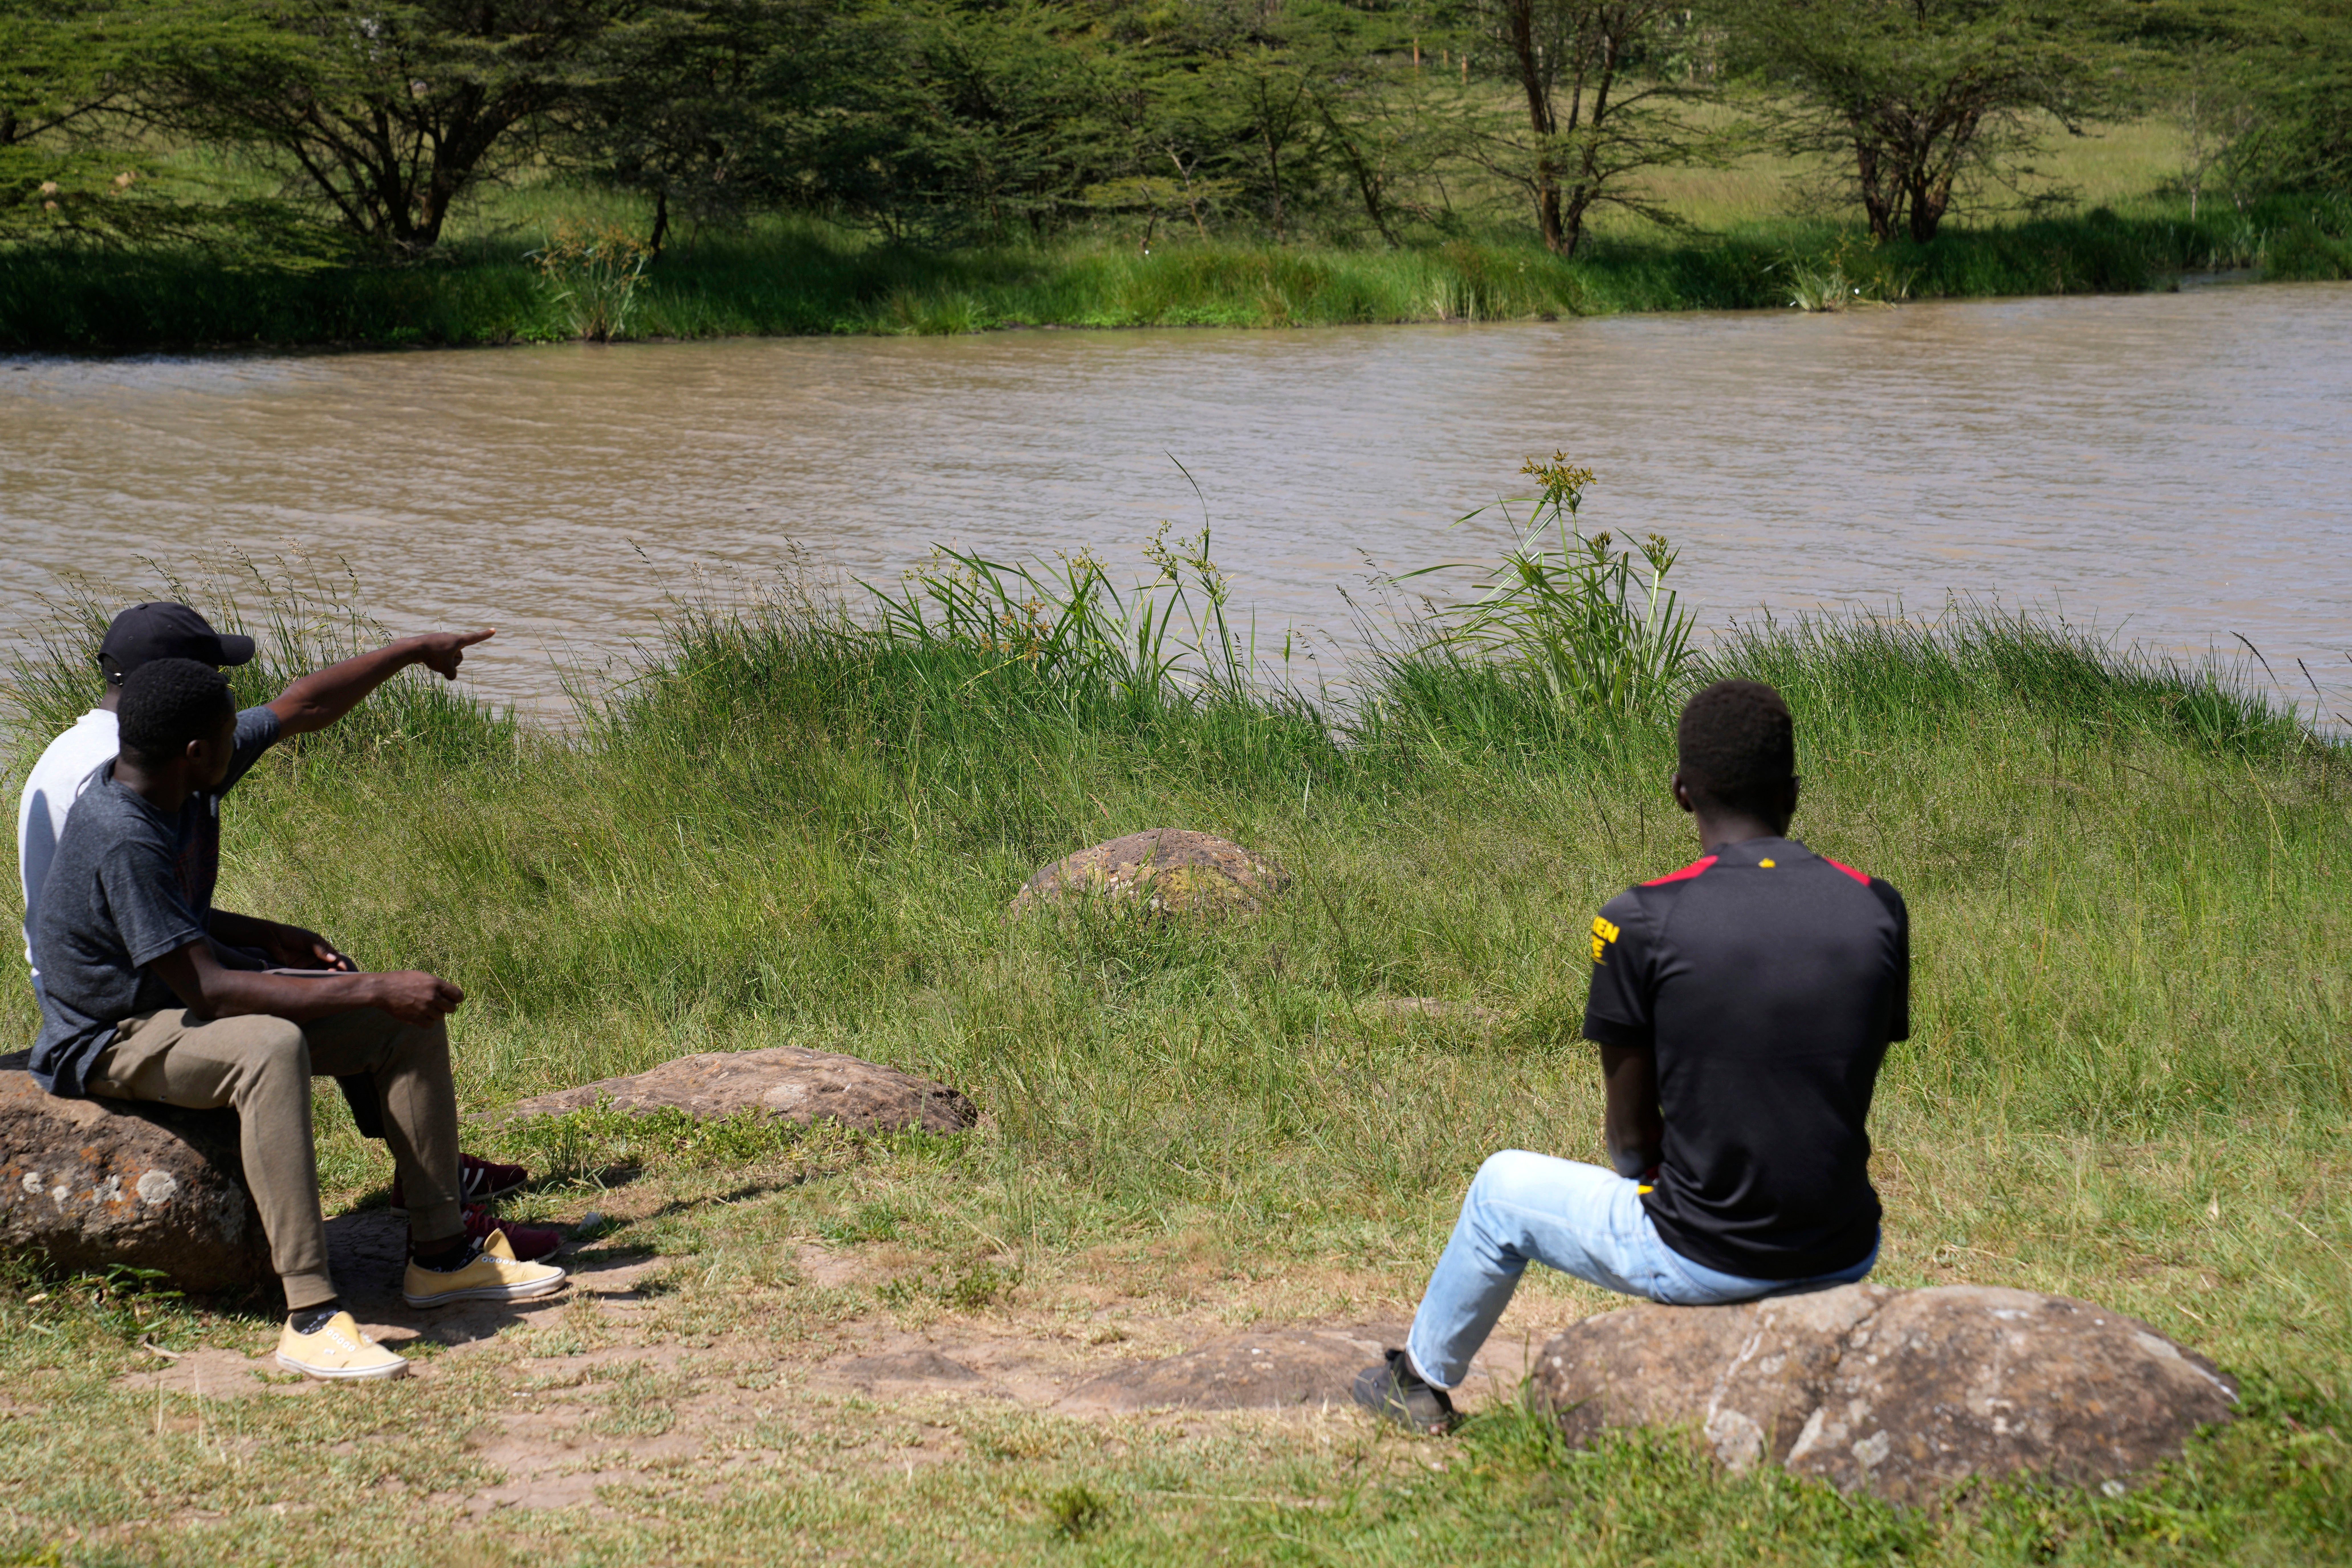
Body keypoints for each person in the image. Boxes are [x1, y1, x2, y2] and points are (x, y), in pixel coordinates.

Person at [1354, 679, 1910, 1432]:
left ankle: (1417, 1379)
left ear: (1680, 791)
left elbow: (1627, 1144)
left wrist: (1688, 1198)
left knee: (1498, 1190)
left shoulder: (1639, 918)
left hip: (1703, 1251)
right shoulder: (1874, 904)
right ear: (1793, 792)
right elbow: (1842, 1085)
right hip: (1845, 1246)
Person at [31, 659, 566, 1380]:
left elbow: (299, 707)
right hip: (107, 1037)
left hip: (167, 1004)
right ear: (197, 752)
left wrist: (269, 935)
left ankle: (441, 1257)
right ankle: (310, 1316)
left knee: (401, 1025)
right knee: (271, 1046)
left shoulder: (171, 776)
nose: (237, 739)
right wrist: (372, 986)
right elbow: (214, 993)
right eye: (227, 732)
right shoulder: (121, 830)